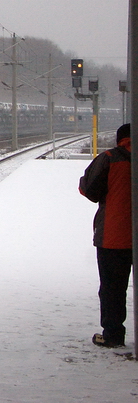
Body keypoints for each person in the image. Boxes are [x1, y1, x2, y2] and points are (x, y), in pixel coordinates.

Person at [79, 123, 132, 348]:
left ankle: (112, 335)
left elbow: (89, 190)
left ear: (120, 139)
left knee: (112, 288)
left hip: (114, 236)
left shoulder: (109, 158)